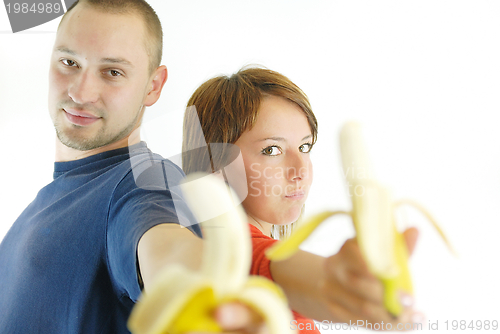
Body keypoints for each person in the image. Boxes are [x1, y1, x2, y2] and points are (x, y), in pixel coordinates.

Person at [0, 1, 268, 333]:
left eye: (112, 72)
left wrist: (207, 297)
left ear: (153, 86)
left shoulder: (142, 182)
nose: (81, 92)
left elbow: (167, 247)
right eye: (69, 62)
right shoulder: (47, 201)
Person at [182, 67, 421, 332]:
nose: (300, 170)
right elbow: (271, 269)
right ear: (216, 164)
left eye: (305, 147)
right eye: (272, 150)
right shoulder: (225, 255)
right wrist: (338, 284)